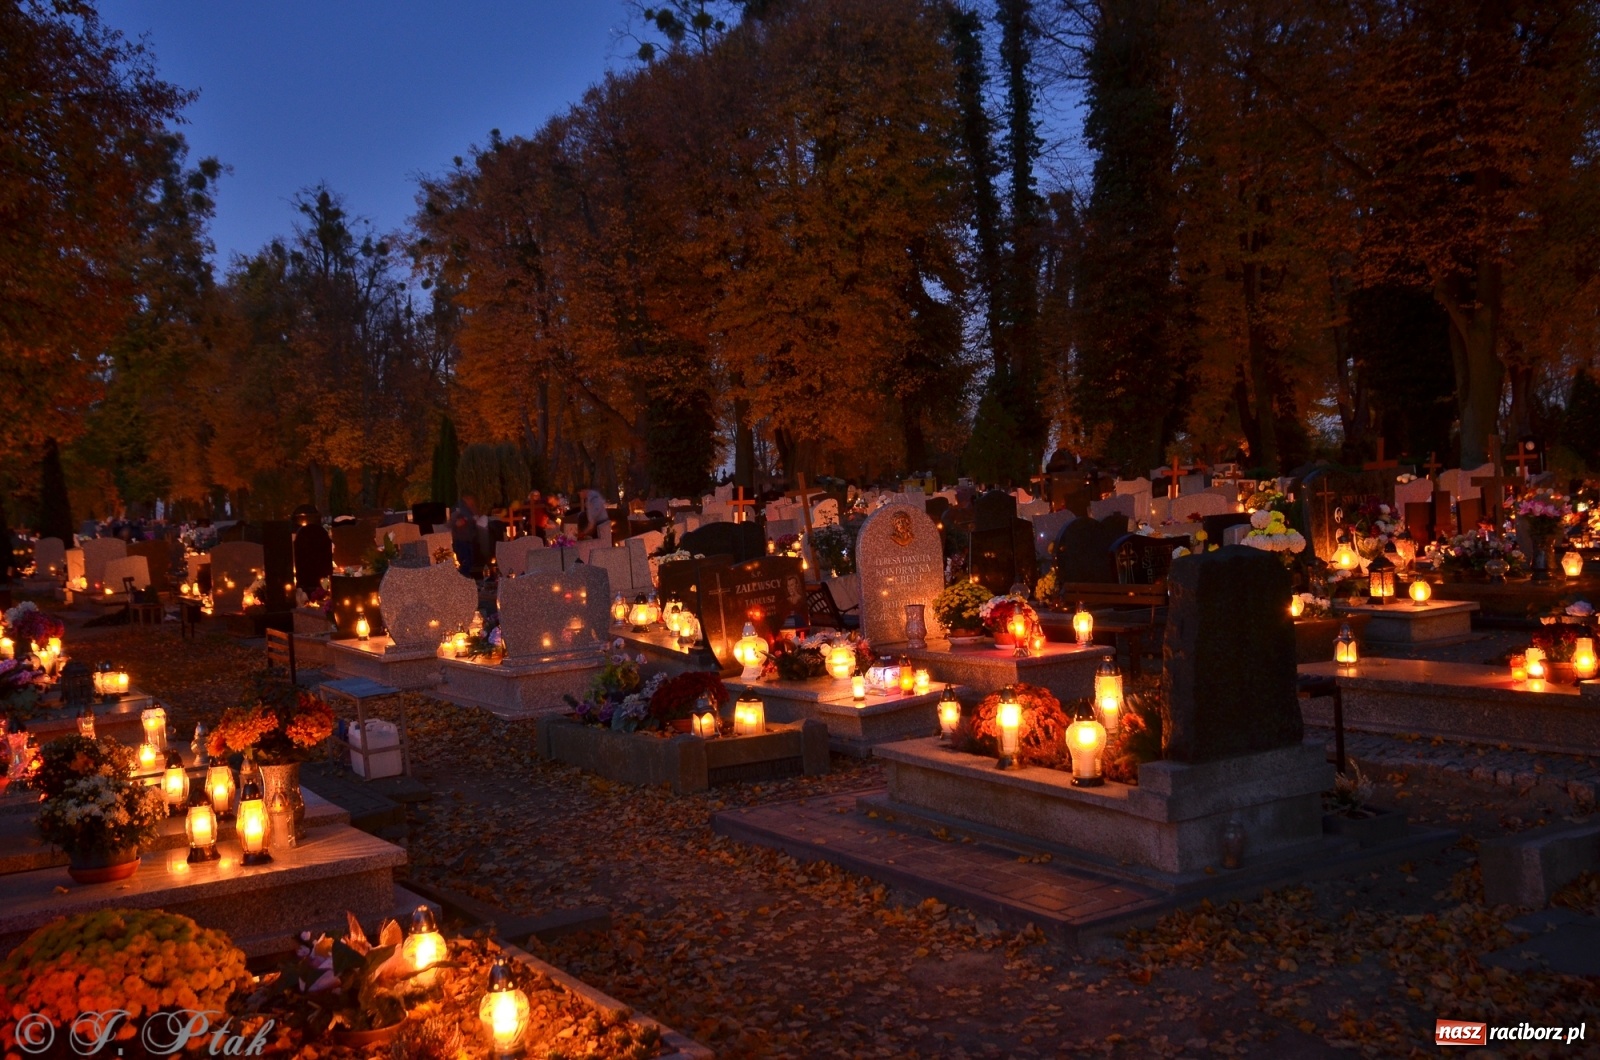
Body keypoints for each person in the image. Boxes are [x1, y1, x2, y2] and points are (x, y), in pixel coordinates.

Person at [451, 493, 479, 576]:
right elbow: (456, 522)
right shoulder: (459, 508)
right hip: (461, 540)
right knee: (466, 562)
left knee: (469, 561)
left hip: (468, 539)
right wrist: (466, 520)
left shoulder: (470, 508)